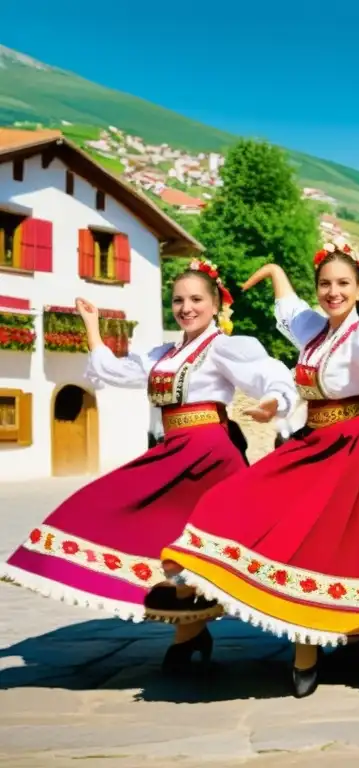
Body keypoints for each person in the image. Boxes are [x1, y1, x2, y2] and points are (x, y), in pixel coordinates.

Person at [157, 238, 359, 698]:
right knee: (245, 507)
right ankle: (312, 642)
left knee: (347, 548)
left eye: (343, 283)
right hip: (315, 441)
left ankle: (329, 645)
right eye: (325, 283)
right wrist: (273, 271)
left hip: (358, 447)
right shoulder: (315, 331)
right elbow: (291, 309)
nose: (333, 291)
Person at [2, 258, 296, 672]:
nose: (186, 307)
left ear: (215, 305)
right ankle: (189, 632)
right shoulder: (163, 354)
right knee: (114, 506)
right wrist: (92, 325)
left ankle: (192, 634)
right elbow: (114, 371)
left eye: (196, 299)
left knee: (193, 550)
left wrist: (274, 402)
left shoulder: (227, 346)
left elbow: (270, 375)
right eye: (178, 300)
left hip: (211, 455)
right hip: (173, 449)